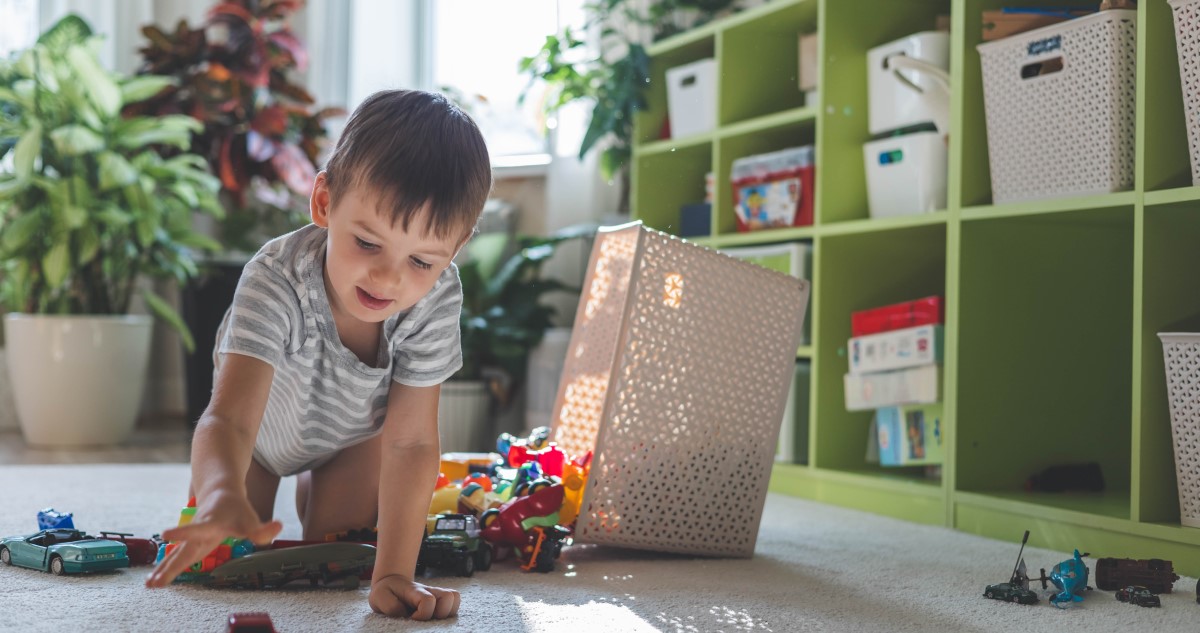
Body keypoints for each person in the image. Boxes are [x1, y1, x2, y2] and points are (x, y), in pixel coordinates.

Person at [144, 89, 492, 621]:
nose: (388, 278)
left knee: (335, 561)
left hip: (351, 441)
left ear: (456, 248)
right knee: (228, 559)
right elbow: (229, 419)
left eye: (421, 260)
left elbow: (412, 440)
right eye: (368, 244)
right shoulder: (275, 278)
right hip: (255, 441)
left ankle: (318, 489)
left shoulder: (438, 295)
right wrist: (217, 493)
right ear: (325, 203)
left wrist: (395, 571)